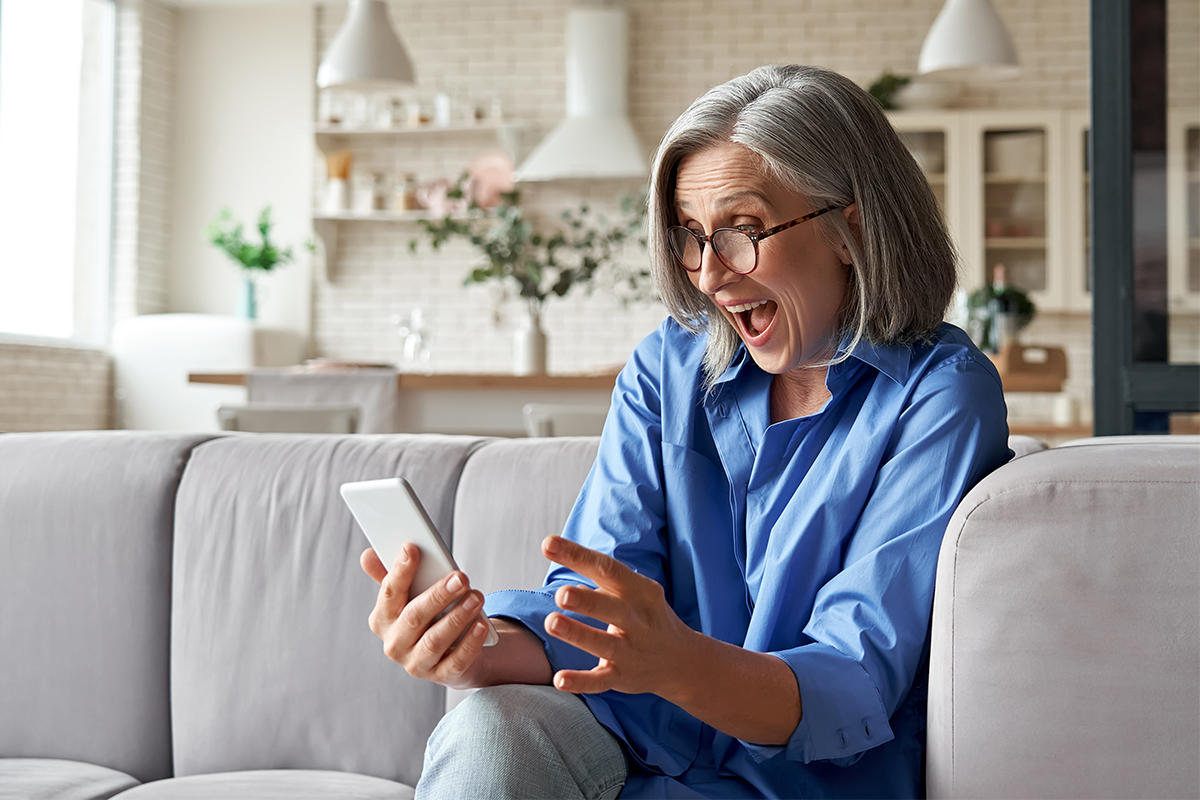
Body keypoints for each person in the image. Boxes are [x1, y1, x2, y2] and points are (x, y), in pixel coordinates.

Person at [361, 64, 1010, 799]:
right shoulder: (665, 368)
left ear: (848, 230)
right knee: (488, 727)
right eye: (691, 236)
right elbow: (597, 598)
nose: (708, 275)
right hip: (637, 753)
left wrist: (677, 662)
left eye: (742, 231)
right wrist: (474, 650)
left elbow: (853, 676)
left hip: (798, 784)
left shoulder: (941, 395)